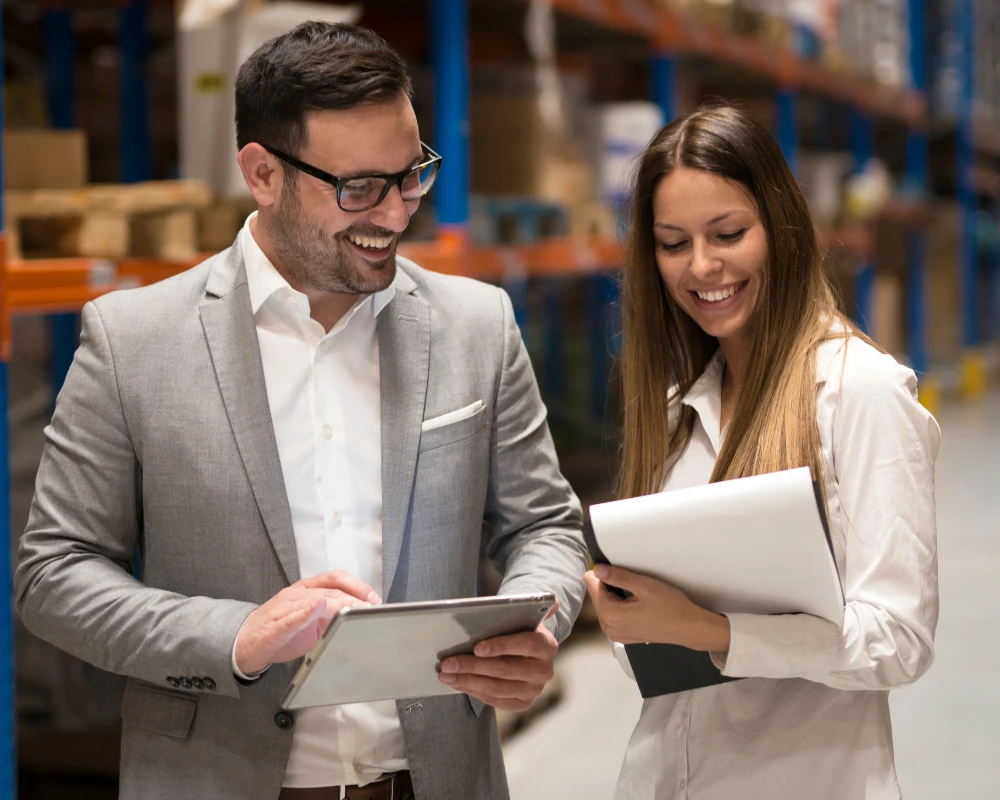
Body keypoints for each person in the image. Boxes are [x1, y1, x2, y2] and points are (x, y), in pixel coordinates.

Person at [15, 23, 589, 800]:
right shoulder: (134, 342)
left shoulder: (476, 325)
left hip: (433, 780)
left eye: (411, 174)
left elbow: (544, 526)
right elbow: (54, 575)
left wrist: (541, 626)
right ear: (262, 174)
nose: (394, 215)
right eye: (358, 189)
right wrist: (238, 639)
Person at [583, 106, 940, 800]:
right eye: (672, 243)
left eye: (728, 234)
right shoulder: (675, 409)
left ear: (780, 226)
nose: (703, 266)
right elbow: (648, 661)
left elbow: (898, 639)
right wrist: (630, 616)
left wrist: (710, 630)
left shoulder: (859, 393)